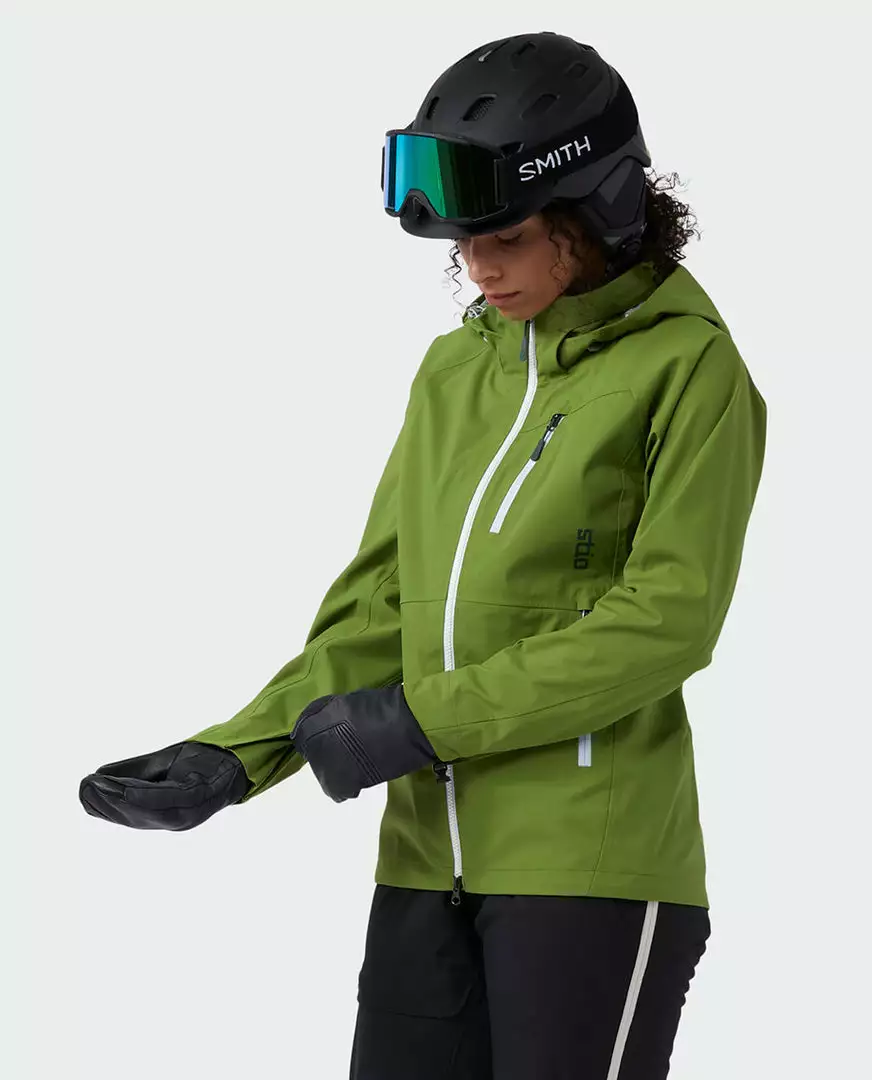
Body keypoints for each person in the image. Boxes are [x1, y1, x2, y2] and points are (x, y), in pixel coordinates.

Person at [79, 31, 768, 1079]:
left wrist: (416, 723)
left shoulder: (692, 369)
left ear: (601, 212)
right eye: (464, 244)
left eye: (510, 237)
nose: (479, 267)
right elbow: (381, 608)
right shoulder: (454, 372)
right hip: (420, 863)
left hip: (589, 865)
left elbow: (664, 622)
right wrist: (242, 754)